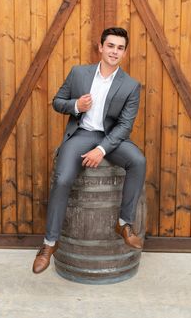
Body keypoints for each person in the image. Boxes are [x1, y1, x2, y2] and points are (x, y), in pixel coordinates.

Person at [32, 27, 146, 274]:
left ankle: (124, 223)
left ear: (124, 52)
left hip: (110, 138)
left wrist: (102, 150)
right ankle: (49, 244)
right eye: (111, 46)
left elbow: (125, 125)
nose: (115, 51)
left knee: (138, 160)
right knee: (62, 179)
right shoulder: (78, 73)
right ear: (101, 47)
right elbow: (57, 102)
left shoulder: (131, 85)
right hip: (81, 134)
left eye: (120, 48)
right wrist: (75, 105)